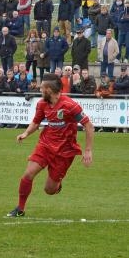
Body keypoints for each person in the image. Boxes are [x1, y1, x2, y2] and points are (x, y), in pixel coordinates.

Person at [7, 73, 94, 217]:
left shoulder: (70, 105)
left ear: (50, 90)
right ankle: (20, 209)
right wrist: (26, 133)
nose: (40, 91)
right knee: (28, 174)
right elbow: (36, 122)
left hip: (64, 151)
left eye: (42, 88)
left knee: (49, 190)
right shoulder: (42, 104)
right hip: (45, 145)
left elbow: (89, 126)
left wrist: (88, 150)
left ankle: (57, 185)